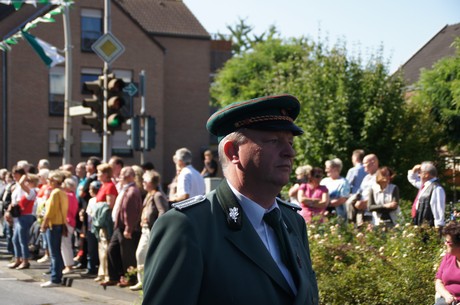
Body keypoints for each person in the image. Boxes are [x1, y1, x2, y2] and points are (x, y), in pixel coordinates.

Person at [143, 94, 319, 305]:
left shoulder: (292, 220)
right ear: (233, 151)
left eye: (290, 142)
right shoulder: (189, 225)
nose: (290, 152)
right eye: (274, 141)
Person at [103, 166, 143, 287]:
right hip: (119, 226)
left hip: (125, 227)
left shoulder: (131, 191)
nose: (120, 177)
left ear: (130, 177)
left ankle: (130, 278)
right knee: (112, 250)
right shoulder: (125, 189)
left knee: (128, 254)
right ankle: (114, 276)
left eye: (123, 175)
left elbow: (130, 212)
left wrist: (128, 228)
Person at [130, 170, 169, 291]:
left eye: (145, 181)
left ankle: (146, 281)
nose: (143, 183)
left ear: (151, 183)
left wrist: (157, 227)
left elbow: (163, 211)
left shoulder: (157, 195)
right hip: (145, 229)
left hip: (151, 230)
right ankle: (142, 280)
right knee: (141, 254)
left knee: (144, 254)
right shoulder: (149, 194)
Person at [40, 170, 68, 288]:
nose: (48, 182)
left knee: (54, 252)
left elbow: (51, 211)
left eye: (50, 180)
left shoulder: (55, 193)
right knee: (56, 251)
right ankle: (56, 274)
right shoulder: (62, 192)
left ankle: (55, 278)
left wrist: (44, 224)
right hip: (59, 223)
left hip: (53, 224)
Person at [7, 172, 39, 270]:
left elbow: (20, 183)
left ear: (33, 182)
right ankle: (18, 259)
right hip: (20, 217)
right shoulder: (27, 192)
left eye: (28, 181)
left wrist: (24, 174)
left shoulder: (33, 191)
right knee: (15, 239)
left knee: (23, 240)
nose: (26, 182)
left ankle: (25, 260)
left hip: (26, 217)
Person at [408, 162, 446, 228]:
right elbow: (413, 179)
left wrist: (439, 226)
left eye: (420, 172)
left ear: (426, 174)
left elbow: (438, 209)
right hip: (420, 223)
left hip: (429, 227)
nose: (418, 175)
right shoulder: (425, 186)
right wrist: (414, 170)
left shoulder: (436, 188)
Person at [346, 154, 379, 226]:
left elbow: (380, 194)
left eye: (365, 163)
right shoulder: (366, 177)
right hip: (361, 211)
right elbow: (361, 192)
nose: (363, 165)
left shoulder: (379, 176)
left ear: (373, 162)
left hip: (372, 212)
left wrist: (365, 203)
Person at [435, 221, 460, 305]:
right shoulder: (448, 257)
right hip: (446, 300)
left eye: (448, 242)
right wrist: (447, 295)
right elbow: (439, 282)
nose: (445, 244)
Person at [61, 178, 79, 275]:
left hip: (67, 221)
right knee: (65, 244)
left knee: (65, 244)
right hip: (70, 221)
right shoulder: (73, 196)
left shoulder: (68, 196)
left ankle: (69, 265)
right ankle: (67, 264)